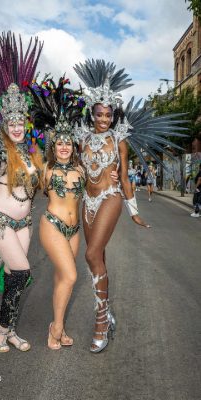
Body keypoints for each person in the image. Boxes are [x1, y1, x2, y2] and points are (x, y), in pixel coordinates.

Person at [74, 58, 186, 353]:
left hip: (110, 197)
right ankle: (107, 309)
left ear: (113, 115)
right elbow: (76, 169)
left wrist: (134, 210)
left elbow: (123, 178)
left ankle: (100, 322)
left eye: (109, 115)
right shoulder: (81, 139)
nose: (104, 119)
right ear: (92, 113)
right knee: (99, 259)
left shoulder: (119, 139)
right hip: (87, 201)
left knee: (91, 253)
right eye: (99, 114)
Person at [0, 34, 44, 352]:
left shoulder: (33, 152)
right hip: (0, 220)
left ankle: (10, 328)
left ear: (26, 123)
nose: (17, 127)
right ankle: (1, 332)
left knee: (17, 276)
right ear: (4, 123)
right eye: (11, 122)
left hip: (23, 222)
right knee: (22, 270)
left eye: (21, 122)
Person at [30, 78, 85, 349]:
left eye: (68, 143)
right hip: (52, 225)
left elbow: (99, 187)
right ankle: (56, 329)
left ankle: (57, 323)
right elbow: (19, 180)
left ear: (73, 146)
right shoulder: (44, 170)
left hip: (74, 231)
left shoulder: (82, 170)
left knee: (64, 279)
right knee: (72, 275)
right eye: (60, 143)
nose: (64, 147)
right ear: (54, 145)